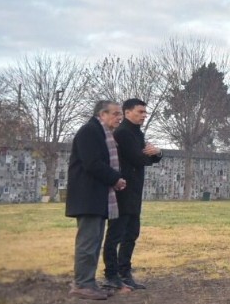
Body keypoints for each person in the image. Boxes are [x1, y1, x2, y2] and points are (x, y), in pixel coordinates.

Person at [65, 101, 127, 300]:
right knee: (88, 243)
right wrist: (115, 178)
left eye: (120, 114)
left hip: (96, 197)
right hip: (88, 197)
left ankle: (87, 282)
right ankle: (82, 284)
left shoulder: (99, 132)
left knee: (93, 242)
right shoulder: (90, 131)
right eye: (116, 113)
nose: (120, 117)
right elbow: (92, 163)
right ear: (102, 114)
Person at [102, 98, 162, 290]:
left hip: (134, 191)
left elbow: (146, 156)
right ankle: (112, 274)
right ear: (127, 112)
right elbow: (138, 158)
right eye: (140, 112)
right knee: (116, 234)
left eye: (145, 112)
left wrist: (157, 153)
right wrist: (153, 155)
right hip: (122, 191)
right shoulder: (123, 133)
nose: (144, 116)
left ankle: (124, 272)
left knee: (132, 233)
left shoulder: (137, 133)